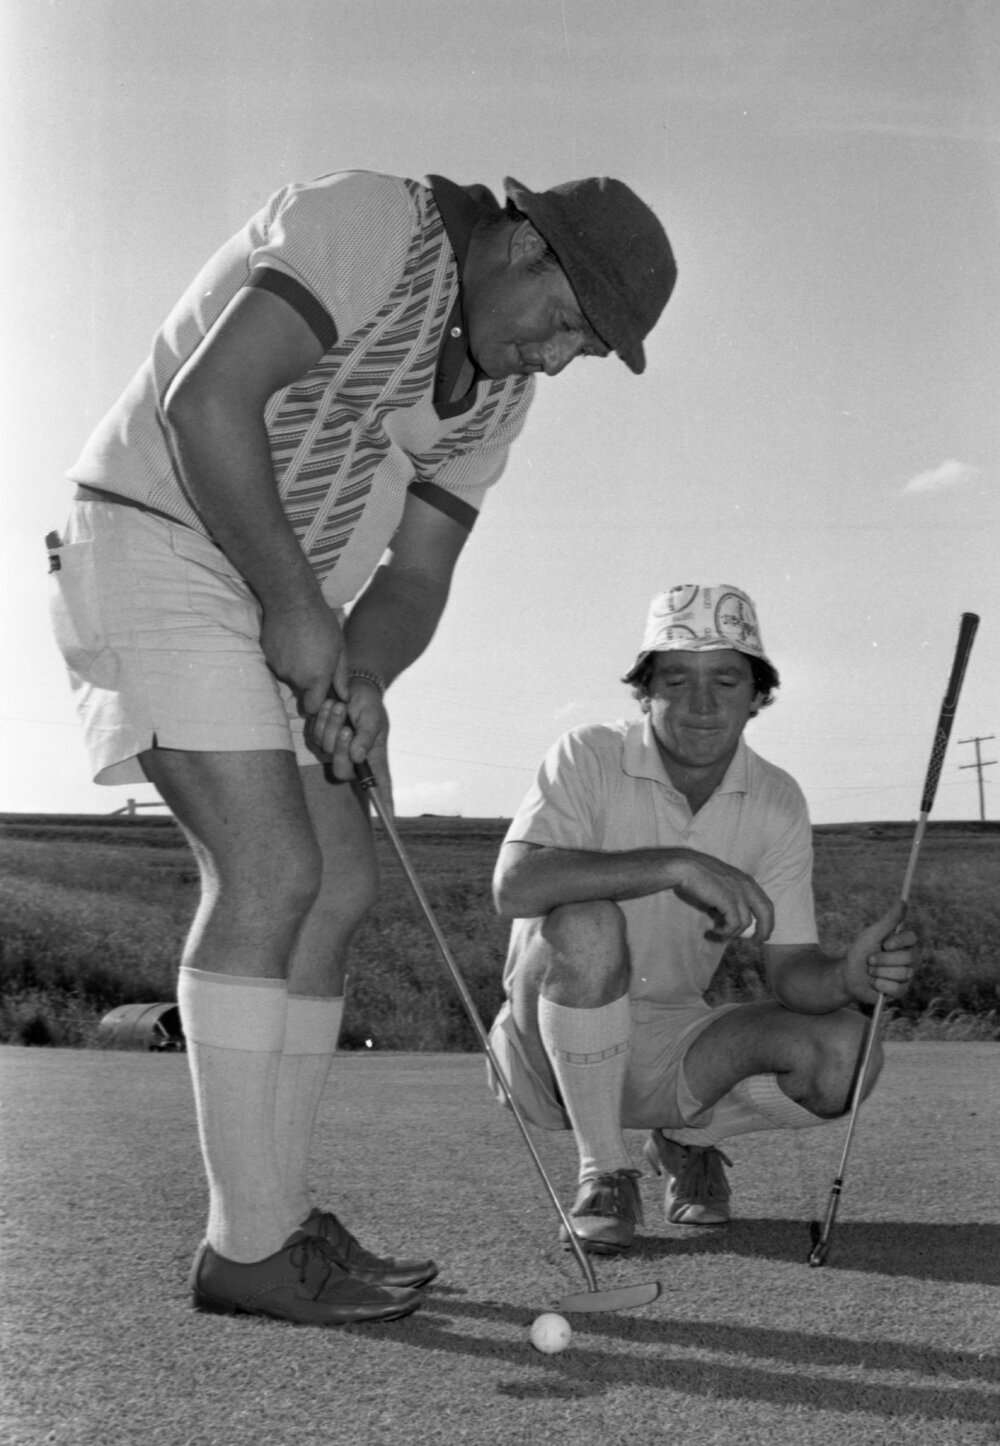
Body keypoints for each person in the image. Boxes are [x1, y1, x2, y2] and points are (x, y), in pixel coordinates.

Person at [47, 167, 677, 1324]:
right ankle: (247, 1248)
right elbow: (206, 406)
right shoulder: (371, 225)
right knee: (272, 869)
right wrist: (299, 614)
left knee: (337, 886)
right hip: (155, 542)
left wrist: (364, 672)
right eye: (568, 325)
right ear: (525, 246)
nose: (555, 359)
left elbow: (417, 575)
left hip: (288, 604)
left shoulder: (493, 398)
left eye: (584, 351)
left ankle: (278, 1217)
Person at [487, 584, 917, 1254]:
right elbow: (515, 887)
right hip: (546, 1056)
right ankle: (603, 1171)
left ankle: (690, 1138)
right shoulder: (586, 754)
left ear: (758, 694)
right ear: (644, 690)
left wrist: (848, 979)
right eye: (676, 678)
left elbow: (792, 973)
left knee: (846, 1055)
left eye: (726, 678)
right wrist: (676, 864)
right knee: (588, 921)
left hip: (676, 1047)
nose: (701, 703)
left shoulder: (776, 799)